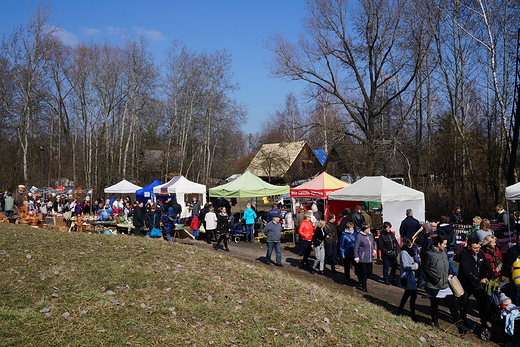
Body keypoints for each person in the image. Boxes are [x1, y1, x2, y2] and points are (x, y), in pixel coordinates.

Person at [423, 235, 471, 334]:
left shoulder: (444, 252)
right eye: (444, 244)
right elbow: (425, 269)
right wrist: (435, 279)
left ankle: (460, 327)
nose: (446, 246)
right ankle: (436, 324)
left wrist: (450, 273)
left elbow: (447, 264)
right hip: (434, 285)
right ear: (438, 244)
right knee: (434, 305)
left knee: (452, 305)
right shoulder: (429, 254)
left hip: (445, 284)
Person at [458, 238, 494, 332]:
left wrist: (493, 276)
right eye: (475, 248)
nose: (477, 249)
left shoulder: (480, 253)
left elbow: (486, 264)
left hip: (477, 283)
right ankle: (463, 322)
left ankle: (484, 324)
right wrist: (478, 280)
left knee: (482, 304)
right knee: (464, 303)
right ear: (469, 247)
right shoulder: (464, 254)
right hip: (466, 283)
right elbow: (467, 271)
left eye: (478, 247)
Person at [398, 236, 419, 322]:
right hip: (407, 277)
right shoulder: (404, 253)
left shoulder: (409, 252)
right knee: (413, 295)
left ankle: (400, 309)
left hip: (410, 277)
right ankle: (413, 314)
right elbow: (405, 265)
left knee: (407, 295)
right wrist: (414, 266)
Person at [353, 223, 376, 292]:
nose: (369, 229)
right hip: (362, 258)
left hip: (370, 257)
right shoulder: (359, 236)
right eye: (368, 228)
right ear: (364, 229)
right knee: (364, 273)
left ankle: (361, 279)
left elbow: (373, 243)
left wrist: (374, 250)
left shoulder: (370, 235)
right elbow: (356, 247)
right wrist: (356, 257)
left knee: (369, 272)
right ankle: (364, 286)